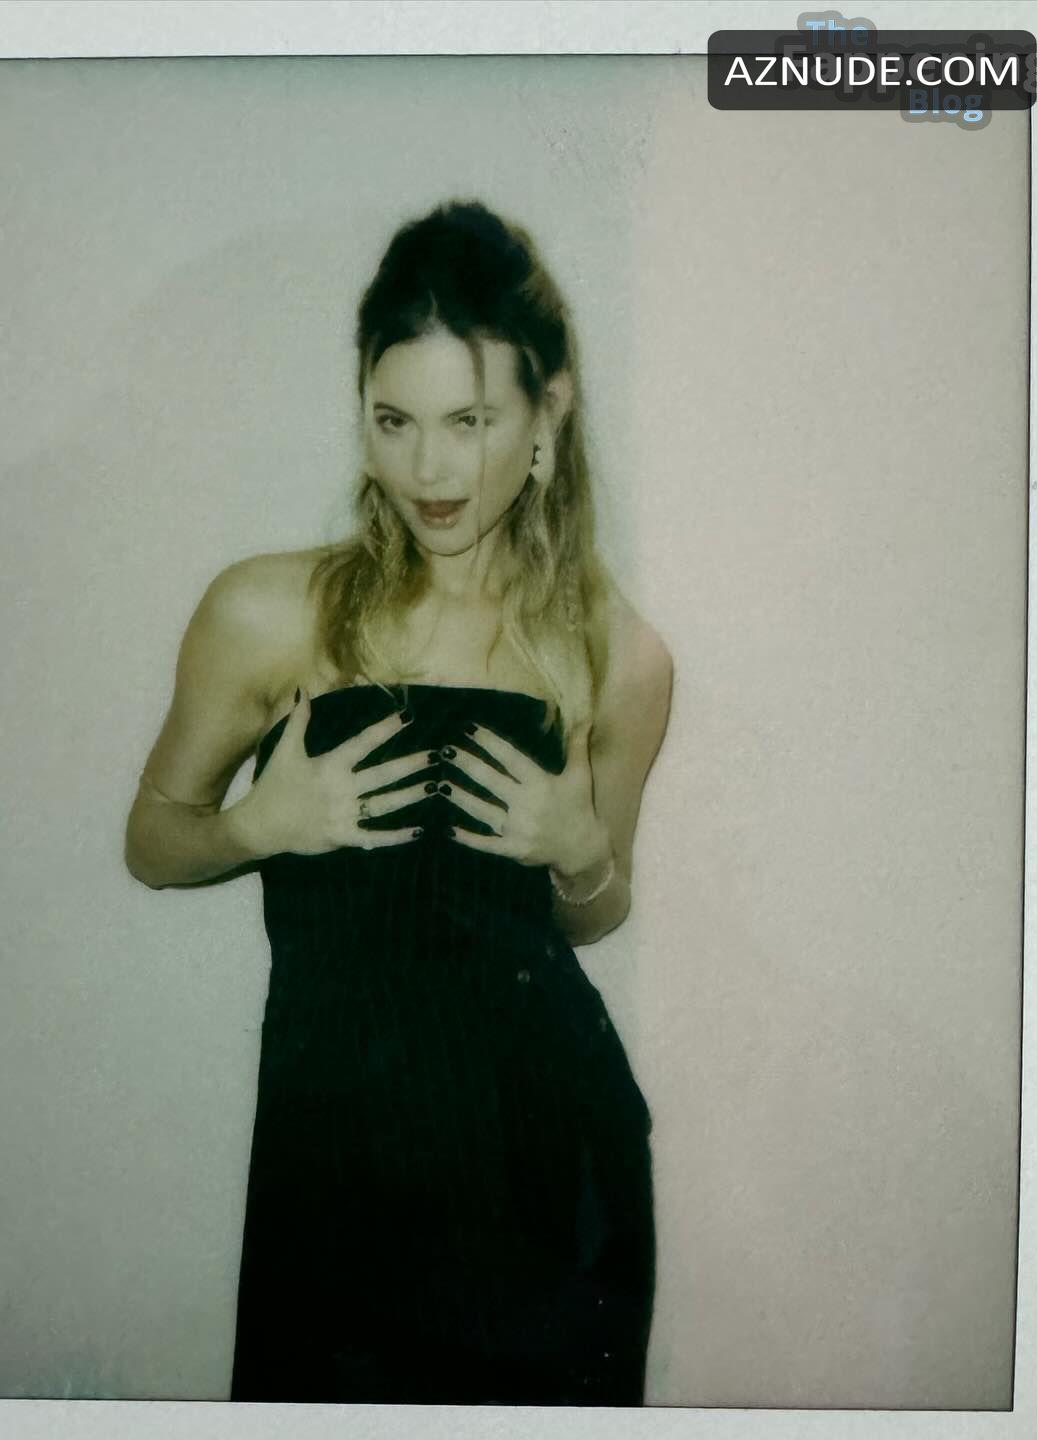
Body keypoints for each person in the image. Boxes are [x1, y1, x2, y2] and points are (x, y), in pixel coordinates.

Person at [124, 199, 673, 1405]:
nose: (428, 469)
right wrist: (256, 828)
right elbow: (151, 845)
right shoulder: (267, 613)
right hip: (333, 1181)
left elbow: (591, 918)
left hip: (551, 1184)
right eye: (395, 420)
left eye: (470, 422)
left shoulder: (616, 655)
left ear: (548, 412)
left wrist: (579, 852)